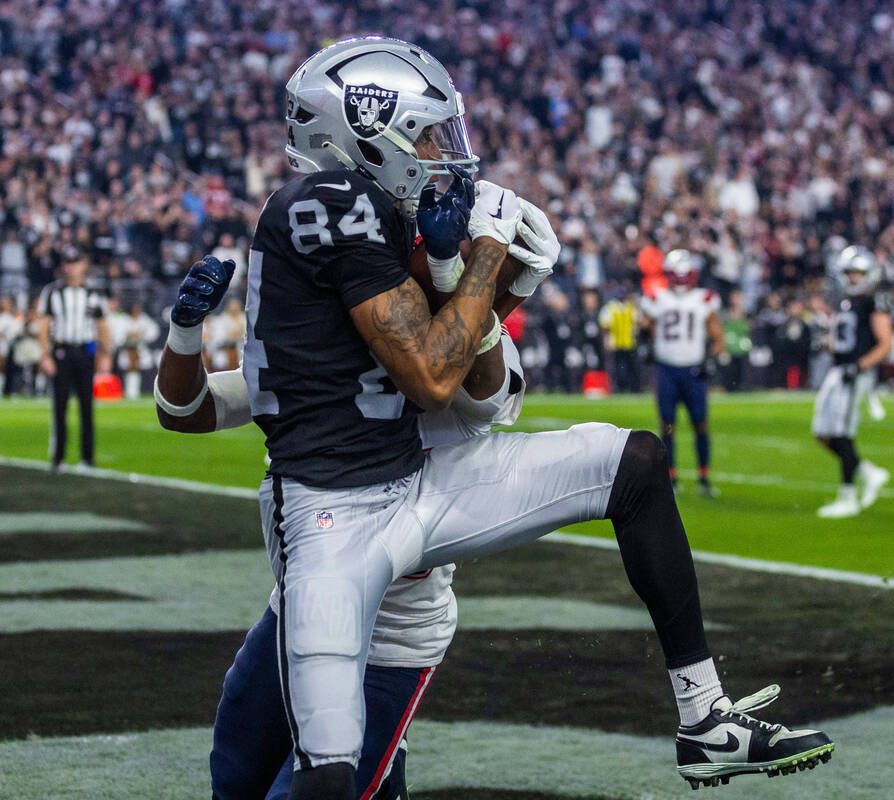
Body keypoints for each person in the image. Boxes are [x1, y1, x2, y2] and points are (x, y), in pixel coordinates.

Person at [156, 37, 832, 798]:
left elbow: (453, 379)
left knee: (635, 464)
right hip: (335, 524)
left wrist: (468, 275)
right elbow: (282, 387)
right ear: (366, 129)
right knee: (262, 775)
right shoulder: (344, 226)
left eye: (517, 279)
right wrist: (475, 256)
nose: (442, 159)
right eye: (424, 134)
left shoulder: (475, 335)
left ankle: (705, 717)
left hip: (413, 540)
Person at [159, 253, 533, 799]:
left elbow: (488, 394)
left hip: (391, 633)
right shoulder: (328, 361)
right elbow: (184, 408)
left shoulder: (471, 363)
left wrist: (471, 297)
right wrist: (185, 329)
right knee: (236, 774)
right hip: (298, 607)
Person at [811, 246, 893, 519]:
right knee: (822, 432)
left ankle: (848, 497)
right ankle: (868, 472)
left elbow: (885, 344)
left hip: (855, 374)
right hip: (838, 370)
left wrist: (860, 366)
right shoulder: (844, 301)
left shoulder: (875, 301)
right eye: (849, 272)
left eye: (858, 273)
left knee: (843, 433)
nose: (853, 277)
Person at [639, 249, 727, 497]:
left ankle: (704, 476)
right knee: (667, 426)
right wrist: (645, 341)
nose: (680, 280)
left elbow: (716, 334)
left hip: (693, 370)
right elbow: (643, 326)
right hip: (667, 368)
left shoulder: (703, 299)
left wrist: (713, 358)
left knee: (700, 424)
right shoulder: (657, 297)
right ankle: (671, 476)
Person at [36, 245, 111, 470]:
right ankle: (58, 458)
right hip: (61, 352)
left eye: (75, 263)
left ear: (84, 265)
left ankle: (87, 459)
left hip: (85, 353)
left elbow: (102, 326)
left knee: (87, 408)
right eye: (68, 263)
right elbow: (44, 326)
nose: (71, 268)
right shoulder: (52, 292)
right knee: (59, 407)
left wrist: (105, 353)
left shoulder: (93, 294)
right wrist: (45, 355)